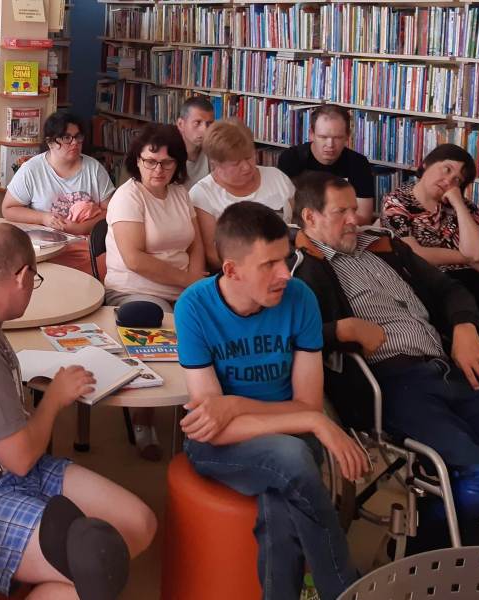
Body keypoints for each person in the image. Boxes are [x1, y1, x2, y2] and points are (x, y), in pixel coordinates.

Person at [291, 171, 479, 550]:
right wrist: (342, 330)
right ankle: (423, 544)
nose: (354, 219)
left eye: (354, 209)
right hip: (392, 384)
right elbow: (289, 335)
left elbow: (448, 288)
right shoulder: (300, 267)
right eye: (340, 212)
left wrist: (465, 326)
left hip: (449, 368)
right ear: (310, 217)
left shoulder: (383, 245)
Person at [0, 224, 157, 599]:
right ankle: (52, 573)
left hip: (5, 467)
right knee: (95, 571)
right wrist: (54, 399)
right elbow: (20, 457)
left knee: (139, 523)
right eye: (34, 279)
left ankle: (43, 570)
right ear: (22, 276)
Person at [176, 201, 367, 600]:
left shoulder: (300, 299)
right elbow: (213, 424)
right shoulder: (194, 307)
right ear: (232, 270)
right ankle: (345, 590)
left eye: (287, 258)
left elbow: (307, 404)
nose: (285, 274)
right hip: (221, 445)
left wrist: (238, 404)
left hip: (289, 430)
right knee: (292, 457)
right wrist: (312, 421)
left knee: (279, 504)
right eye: (269, 265)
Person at [380, 143, 479, 407]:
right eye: (446, 169)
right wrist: (467, 259)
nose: (449, 180)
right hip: (426, 283)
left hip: (470, 280)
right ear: (426, 164)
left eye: (458, 179)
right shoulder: (397, 201)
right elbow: (414, 255)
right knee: (478, 340)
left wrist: (458, 203)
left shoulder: (463, 206)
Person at [106, 123, 206, 460]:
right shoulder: (128, 197)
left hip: (182, 286)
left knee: (215, 323)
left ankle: (201, 410)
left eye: (166, 162)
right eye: (150, 161)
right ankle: (144, 419)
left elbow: (196, 245)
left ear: (178, 163)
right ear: (137, 160)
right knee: (155, 326)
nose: (158, 170)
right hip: (134, 290)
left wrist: (195, 283)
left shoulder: (180, 193)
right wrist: (189, 282)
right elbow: (135, 260)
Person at [1, 110, 116, 274]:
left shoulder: (94, 168)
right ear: (50, 142)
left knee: (108, 265)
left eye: (78, 137)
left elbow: (111, 212)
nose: (74, 143)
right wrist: (43, 218)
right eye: (66, 138)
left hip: (86, 246)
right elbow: (8, 209)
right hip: (45, 246)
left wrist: (81, 228)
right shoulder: (32, 169)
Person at [190, 120, 296, 270]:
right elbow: (212, 255)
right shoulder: (202, 195)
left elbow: (297, 225)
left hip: (291, 263)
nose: (246, 167)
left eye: (249, 157)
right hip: (242, 274)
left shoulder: (277, 177)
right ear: (215, 163)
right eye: (236, 163)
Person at [277, 104, 377, 224]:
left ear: (347, 136)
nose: (330, 144)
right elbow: (289, 212)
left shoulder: (359, 163)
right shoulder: (291, 158)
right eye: (323, 137)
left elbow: (364, 217)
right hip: (303, 227)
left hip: (343, 230)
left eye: (338, 137)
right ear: (311, 134)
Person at [176, 96, 216, 190]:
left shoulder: (214, 151)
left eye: (209, 124)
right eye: (197, 123)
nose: (205, 130)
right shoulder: (168, 154)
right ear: (181, 124)